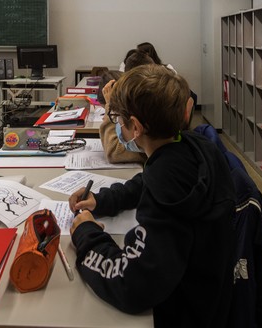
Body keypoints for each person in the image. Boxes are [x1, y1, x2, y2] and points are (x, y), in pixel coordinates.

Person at [68, 64, 236, 327]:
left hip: (181, 312)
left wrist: (86, 234)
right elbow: (145, 181)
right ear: (186, 110)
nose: (117, 126)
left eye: (118, 121)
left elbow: (132, 284)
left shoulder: (166, 185)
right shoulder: (193, 146)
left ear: (134, 128)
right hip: (211, 295)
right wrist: (104, 200)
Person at [98, 50, 155, 164]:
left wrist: (111, 107)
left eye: (117, 116)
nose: (118, 121)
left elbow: (114, 152)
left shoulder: (146, 118)